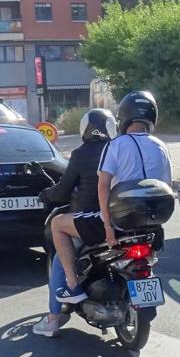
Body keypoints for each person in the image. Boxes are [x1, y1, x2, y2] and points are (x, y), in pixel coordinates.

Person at [33, 108, 117, 338]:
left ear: (85, 129)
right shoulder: (118, 149)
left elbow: (63, 190)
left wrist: (46, 195)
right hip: (121, 220)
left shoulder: (81, 154)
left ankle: (53, 319)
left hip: (87, 222)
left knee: (61, 258)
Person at [97, 91, 173, 248]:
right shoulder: (161, 146)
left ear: (123, 116)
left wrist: (108, 228)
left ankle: (71, 274)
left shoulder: (115, 145)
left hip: (121, 220)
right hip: (153, 222)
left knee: (59, 225)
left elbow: (103, 186)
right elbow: (166, 185)